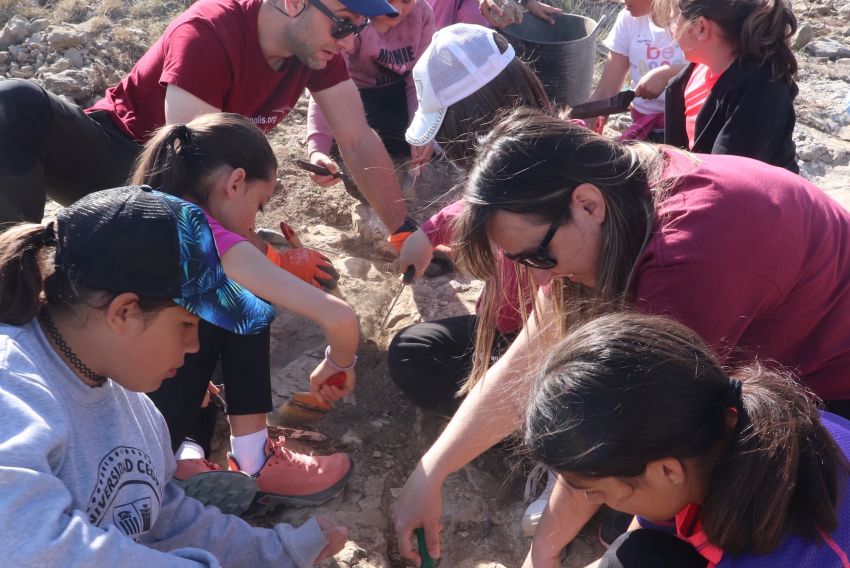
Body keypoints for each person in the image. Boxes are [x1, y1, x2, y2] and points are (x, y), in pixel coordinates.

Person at [392, 108, 850, 567]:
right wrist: (432, 472)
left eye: (538, 257)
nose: (539, 276)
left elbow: (622, 421)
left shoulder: (686, 262)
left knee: (636, 535)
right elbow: (536, 349)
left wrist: (544, 550)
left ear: (587, 204)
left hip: (823, 389)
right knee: (422, 357)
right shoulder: (615, 187)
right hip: (733, 356)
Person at [0, 185, 347, 565]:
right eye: (187, 324)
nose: (195, 346)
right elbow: (29, 546)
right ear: (124, 313)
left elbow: (164, 518)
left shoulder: (136, 411)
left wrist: (279, 553)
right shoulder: (12, 388)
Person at [0, 0, 416, 250]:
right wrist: (257, 252)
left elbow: (357, 137)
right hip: (117, 160)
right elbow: (188, 168)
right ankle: (13, 267)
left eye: (358, 28)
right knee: (16, 100)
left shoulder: (314, 46)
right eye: (343, 22)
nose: (349, 42)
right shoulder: (208, 33)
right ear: (293, 3)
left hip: (188, 187)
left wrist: (404, 231)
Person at [132, 113, 359, 516]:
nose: (257, 219)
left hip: (121, 406)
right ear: (235, 182)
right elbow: (340, 319)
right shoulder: (211, 238)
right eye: (259, 203)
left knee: (203, 375)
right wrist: (339, 362)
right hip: (132, 430)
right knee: (246, 299)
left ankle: (187, 456)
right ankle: (255, 460)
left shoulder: (145, 209)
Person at [525, 312, 850, 567]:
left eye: (599, 492)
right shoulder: (714, 429)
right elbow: (650, 528)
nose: (597, 501)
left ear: (667, 471)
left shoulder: (800, 554)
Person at [655, 0, 799, 172]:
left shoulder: (760, 91)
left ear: (701, 28)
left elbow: (729, 181)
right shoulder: (693, 73)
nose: (672, 30)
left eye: (674, 20)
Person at [307, 0, 435, 165]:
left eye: (406, 1)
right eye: (388, 2)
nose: (397, 10)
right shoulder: (353, 18)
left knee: (428, 131)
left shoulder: (422, 13)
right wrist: (317, 149)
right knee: (350, 135)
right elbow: (327, 85)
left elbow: (419, 81)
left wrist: (421, 131)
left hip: (403, 91)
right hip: (358, 93)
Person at [584, 0, 686, 141]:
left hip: (688, 127)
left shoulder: (692, 19)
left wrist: (669, 74)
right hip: (643, 127)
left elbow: (717, 72)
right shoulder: (628, 20)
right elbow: (605, 92)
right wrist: (577, 128)